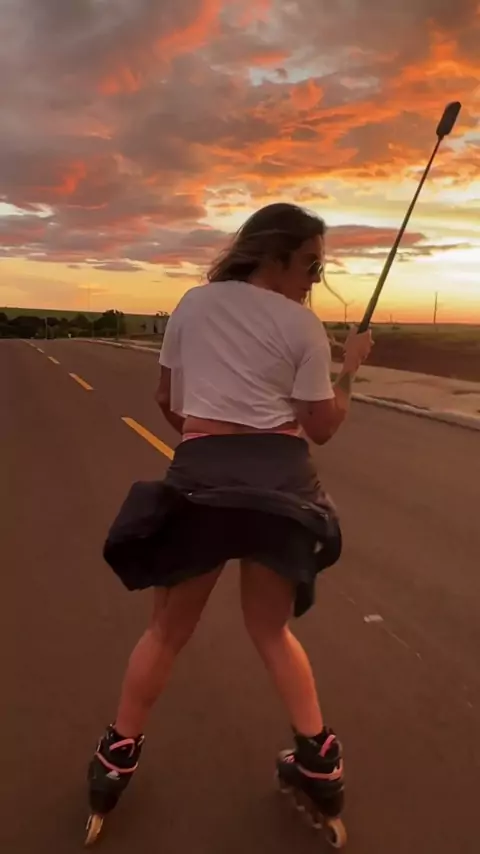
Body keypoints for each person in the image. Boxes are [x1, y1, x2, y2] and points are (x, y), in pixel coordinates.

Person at [86, 202, 373, 842]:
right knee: (270, 630)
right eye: (310, 265)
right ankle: (319, 763)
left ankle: (114, 760)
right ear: (273, 254)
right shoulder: (304, 327)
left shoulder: (193, 305)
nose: (316, 279)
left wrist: (206, 442)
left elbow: (168, 398)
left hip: (204, 482)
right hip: (284, 489)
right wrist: (350, 368)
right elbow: (323, 427)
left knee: (166, 632)